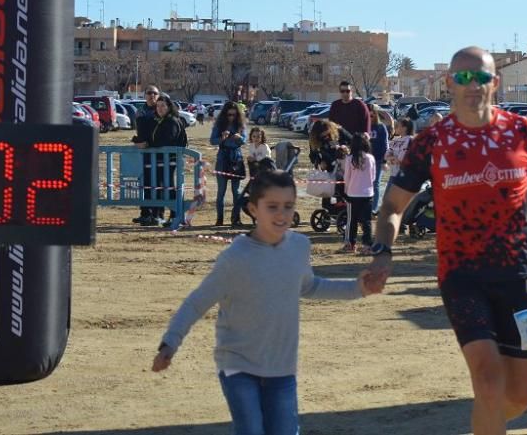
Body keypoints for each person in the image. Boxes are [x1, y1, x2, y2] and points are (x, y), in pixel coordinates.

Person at [369, 46, 527, 435]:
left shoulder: (523, 134)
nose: (472, 85)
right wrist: (383, 251)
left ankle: (485, 423)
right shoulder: (431, 141)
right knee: (487, 381)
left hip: (516, 278)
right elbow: (392, 207)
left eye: (481, 77)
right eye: (463, 77)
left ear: (495, 83)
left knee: (519, 397)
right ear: (449, 82)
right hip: (461, 276)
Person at [152, 169, 384, 435]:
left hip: (281, 367)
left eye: (288, 206)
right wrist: (170, 343)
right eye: (272, 207)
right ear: (253, 209)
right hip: (238, 365)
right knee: (251, 430)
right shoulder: (235, 258)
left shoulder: (299, 246)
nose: (282, 214)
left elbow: (311, 286)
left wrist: (359, 288)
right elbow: (197, 302)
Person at [146, 93, 188, 227]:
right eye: (158, 106)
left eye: (163, 106)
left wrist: (148, 144)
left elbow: (166, 141)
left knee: (169, 187)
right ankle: (160, 214)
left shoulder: (172, 121)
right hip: (161, 160)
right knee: (163, 186)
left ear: (169, 107)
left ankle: (176, 215)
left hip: (170, 160)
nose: (159, 108)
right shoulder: (160, 121)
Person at [210, 102, 248, 228]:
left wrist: (239, 138)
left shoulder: (241, 125)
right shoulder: (219, 125)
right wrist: (222, 138)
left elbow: (245, 140)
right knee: (221, 191)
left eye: (234, 114)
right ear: (225, 114)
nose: (231, 116)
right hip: (223, 158)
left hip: (236, 158)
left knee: (236, 191)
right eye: (229, 114)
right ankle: (219, 218)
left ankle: (236, 218)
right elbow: (212, 140)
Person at [131, 86, 161, 226]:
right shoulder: (140, 112)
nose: (152, 95)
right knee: (146, 183)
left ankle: (157, 214)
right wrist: (138, 141)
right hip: (145, 153)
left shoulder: (161, 110)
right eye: (149, 93)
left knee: (159, 183)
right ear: (145, 95)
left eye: (154, 93)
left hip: (160, 153)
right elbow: (141, 132)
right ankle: (145, 213)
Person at [308, 119, 353, 211]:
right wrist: (319, 162)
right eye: (322, 135)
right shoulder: (314, 139)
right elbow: (313, 155)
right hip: (328, 165)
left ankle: (343, 202)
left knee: (341, 184)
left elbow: (352, 141)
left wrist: (346, 149)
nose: (326, 137)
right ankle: (328, 207)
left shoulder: (339, 131)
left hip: (344, 163)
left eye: (327, 134)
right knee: (328, 186)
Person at [343, 132, 376, 254]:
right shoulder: (370, 158)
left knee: (352, 220)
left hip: (353, 193)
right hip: (368, 193)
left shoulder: (349, 159)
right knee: (366, 221)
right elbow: (373, 177)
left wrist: (347, 189)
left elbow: (347, 178)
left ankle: (351, 244)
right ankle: (368, 245)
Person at [384, 118, 415, 194]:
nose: (395, 127)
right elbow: (386, 155)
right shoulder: (396, 139)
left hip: (403, 176)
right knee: (386, 200)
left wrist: (392, 157)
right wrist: (393, 158)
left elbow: (401, 159)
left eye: (397, 125)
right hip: (393, 175)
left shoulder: (409, 140)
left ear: (405, 128)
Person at [368, 104, 389, 213]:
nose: (370, 118)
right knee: (367, 184)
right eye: (368, 116)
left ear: (376, 115)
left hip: (378, 159)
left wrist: (384, 161)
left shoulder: (381, 127)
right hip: (366, 160)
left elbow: (385, 145)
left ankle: (373, 209)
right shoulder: (365, 127)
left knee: (375, 184)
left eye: (372, 115)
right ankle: (366, 207)